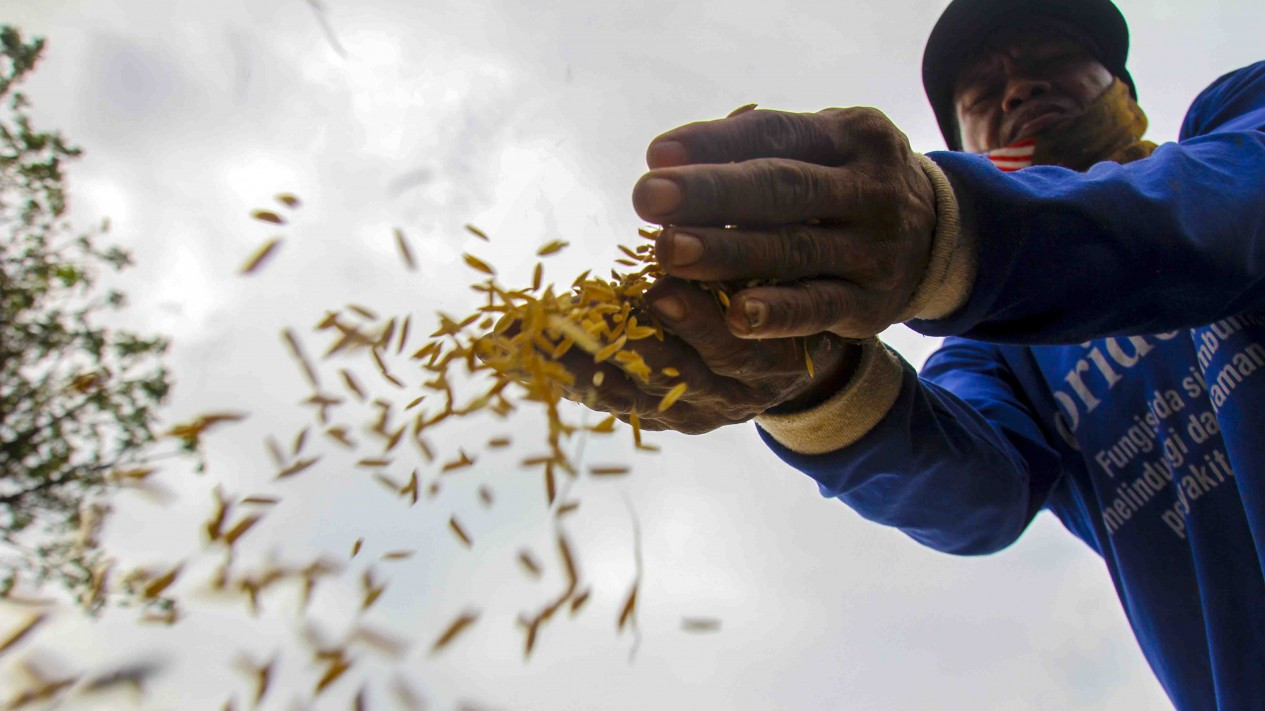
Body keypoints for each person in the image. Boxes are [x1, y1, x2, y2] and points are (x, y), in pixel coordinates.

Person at [556, 0, 1265, 707]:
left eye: (1052, 61)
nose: (1018, 90)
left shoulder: (1236, 115)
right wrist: (810, 384)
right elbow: (973, 499)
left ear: (1124, 91)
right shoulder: (995, 356)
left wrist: (952, 232)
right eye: (983, 97)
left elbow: (1235, 203)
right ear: (967, 150)